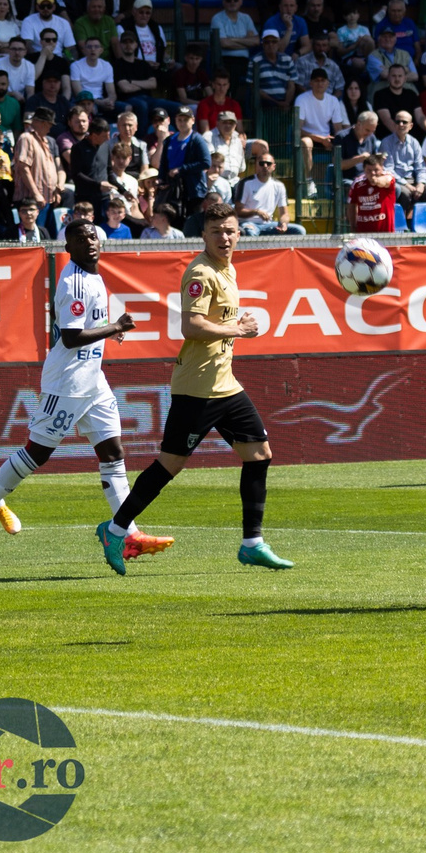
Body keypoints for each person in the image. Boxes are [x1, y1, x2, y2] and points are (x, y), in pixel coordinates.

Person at [94, 201, 290, 574]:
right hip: (197, 389)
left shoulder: (227, 269)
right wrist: (239, 329)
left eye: (231, 230)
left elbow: (218, 320)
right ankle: (115, 530)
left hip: (225, 385)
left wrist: (238, 322)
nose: (225, 237)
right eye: (217, 231)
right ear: (204, 234)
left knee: (259, 454)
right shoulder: (200, 272)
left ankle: (252, 543)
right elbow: (191, 326)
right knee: (170, 464)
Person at [0, 219, 170, 560]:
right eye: (79, 238)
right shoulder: (73, 281)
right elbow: (70, 338)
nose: (89, 241)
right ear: (68, 248)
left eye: (92, 235)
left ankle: (127, 533)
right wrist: (115, 326)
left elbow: (87, 327)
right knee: (36, 454)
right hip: (68, 380)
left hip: (93, 380)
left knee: (113, 452)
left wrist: (108, 330)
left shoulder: (94, 276)